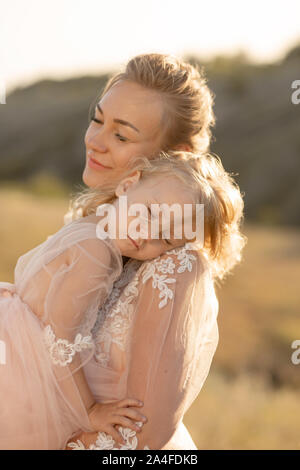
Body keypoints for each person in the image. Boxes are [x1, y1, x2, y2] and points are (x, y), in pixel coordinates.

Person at [64, 53, 246, 450]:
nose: (94, 141)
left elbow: (143, 437)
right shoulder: (92, 229)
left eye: (122, 135)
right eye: (98, 120)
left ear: (172, 154)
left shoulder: (176, 265)